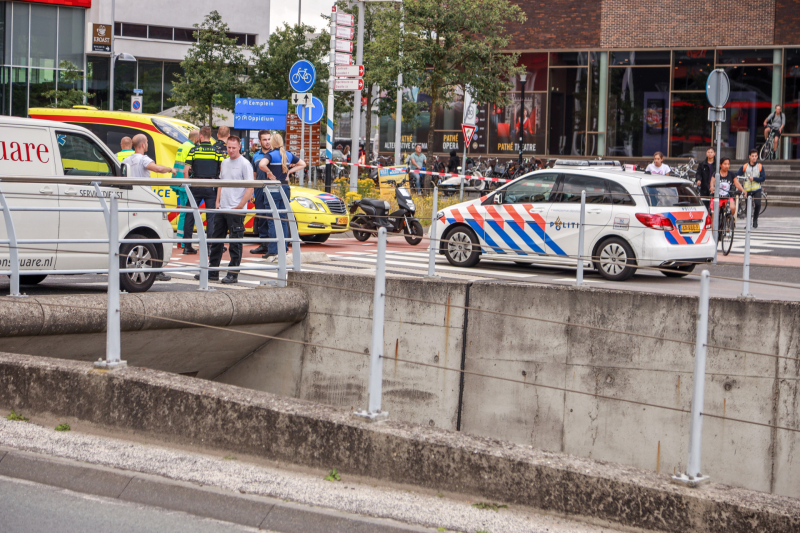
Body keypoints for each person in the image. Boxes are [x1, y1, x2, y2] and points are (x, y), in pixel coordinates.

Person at [194, 136, 253, 284]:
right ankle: (212, 271)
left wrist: (240, 206)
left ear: (239, 147)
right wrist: (218, 201)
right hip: (223, 207)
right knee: (216, 240)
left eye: (234, 148)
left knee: (235, 242)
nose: (231, 150)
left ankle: (233, 273)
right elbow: (221, 182)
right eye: (229, 147)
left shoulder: (245, 164)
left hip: (236, 209)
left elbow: (250, 187)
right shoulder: (225, 162)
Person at [121, 134, 176, 282]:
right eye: (146, 143)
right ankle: (156, 269)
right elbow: (156, 168)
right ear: (143, 145)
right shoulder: (144, 159)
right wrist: (170, 169)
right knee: (155, 233)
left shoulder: (126, 160)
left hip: (131, 200)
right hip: (145, 200)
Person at [257, 133, 306, 260]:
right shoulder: (288, 155)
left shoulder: (271, 155)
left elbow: (261, 164)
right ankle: (283, 247)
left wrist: (269, 172)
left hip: (273, 188)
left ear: (272, 143)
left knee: (273, 219)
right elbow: (303, 164)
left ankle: (273, 250)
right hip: (285, 187)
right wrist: (289, 171)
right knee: (283, 218)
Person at [182, 126, 225, 255]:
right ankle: (210, 246)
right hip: (211, 186)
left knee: (190, 215)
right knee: (211, 216)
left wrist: (188, 185)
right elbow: (222, 170)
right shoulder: (217, 151)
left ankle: (187, 246)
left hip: (195, 185)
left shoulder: (193, 150)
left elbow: (185, 170)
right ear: (210, 136)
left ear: (200, 136)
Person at [172, 130, 199, 248]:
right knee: (187, 212)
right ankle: (183, 241)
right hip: (186, 183)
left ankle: (180, 240)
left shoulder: (182, 146)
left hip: (178, 182)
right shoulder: (191, 148)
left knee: (183, 212)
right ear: (197, 138)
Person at [249, 130, 273, 255]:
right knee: (261, 216)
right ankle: (263, 244)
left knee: (271, 217)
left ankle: (272, 245)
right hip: (259, 189)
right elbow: (254, 175)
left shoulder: (275, 154)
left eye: (269, 139)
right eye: (264, 139)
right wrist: (252, 192)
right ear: (260, 141)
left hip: (271, 188)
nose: (267, 142)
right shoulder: (256, 156)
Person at [734, 149, 766, 228]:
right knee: (748, 207)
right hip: (747, 190)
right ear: (749, 156)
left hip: (757, 189)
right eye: (752, 156)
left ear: (757, 156)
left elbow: (763, 178)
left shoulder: (760, 166)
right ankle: (748, 222)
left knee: (758, 204)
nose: (754, 158)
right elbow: (737, 174)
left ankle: (755, 219)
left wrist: (754, 178)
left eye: (755, 156)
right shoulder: (745, 166)